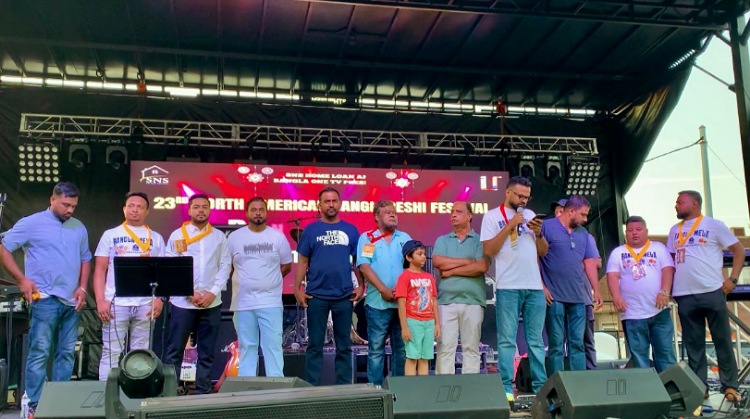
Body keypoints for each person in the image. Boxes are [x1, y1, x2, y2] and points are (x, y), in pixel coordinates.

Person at [0, 182, 91, 416]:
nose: (70, 210)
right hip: (44, 298)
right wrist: (21, 279)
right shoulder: (31, 223)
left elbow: (85, 258)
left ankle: (59, 403)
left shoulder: (79, 227)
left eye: (73, 206)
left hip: (71, 301)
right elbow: (3, 248)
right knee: (40, 352)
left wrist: (83, 287)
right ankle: (35, 404)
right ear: (52, 199)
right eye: (66, 204)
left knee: (66, 353)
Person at [667, 190, 745, 402]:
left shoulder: (714, 225)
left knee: (722, 340)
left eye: (680, 202)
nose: (676, 205)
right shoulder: (674, 230)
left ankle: (730, 386)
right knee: (693, 344)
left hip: (711, 290)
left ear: (694, 203)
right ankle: (699, 388)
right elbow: (670, 261)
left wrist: (733, 279)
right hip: (684, 294)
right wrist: (670, 287)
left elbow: (739, 250)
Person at [482, 176, 547, 401]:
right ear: (508, 192)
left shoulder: (530, 215)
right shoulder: (492, 216)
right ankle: (506, 389)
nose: (523, 201)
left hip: (534, 287)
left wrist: (538, 234)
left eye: (527, 197)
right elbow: (489, 250)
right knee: (506, 340)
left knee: (536, 341)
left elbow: (543, 251)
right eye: (520, 196)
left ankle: (540, 388)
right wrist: (510, 225)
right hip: (508, 286)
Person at [94, 192, 166, 380]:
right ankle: (105, 393)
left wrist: (160, 298)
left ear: (147, 211)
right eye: (131, 206)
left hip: (146, 304)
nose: (135, 210)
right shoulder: (111, 235)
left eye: (140, 207)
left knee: (141, 353)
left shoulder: (156, 238)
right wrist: (101, 300)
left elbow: (162, 272)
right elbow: (100, 270)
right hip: (116, 302)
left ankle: (136, 393)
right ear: (124, 209)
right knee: (111, 352)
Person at [294, 187, 363, 385]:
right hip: (316, 296)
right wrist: (297, 289)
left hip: (344, 296)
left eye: (334, 201)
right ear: (320, 205)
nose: (331, 205)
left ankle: (343, 388)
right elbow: (303, 261)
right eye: (327, 201)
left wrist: (361, 286)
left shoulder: (351, 230)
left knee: (344, 345)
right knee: (314, 345)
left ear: (339, 204)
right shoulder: (310, 230)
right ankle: (312, 388)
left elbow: (357, 261)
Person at [164, 194, 231, 393]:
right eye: (196, 207)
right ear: (189, 210)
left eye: (204, 207)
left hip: (211, 302)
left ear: (209, 210)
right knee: (175, 350)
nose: (200, 210)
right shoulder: (178, 235)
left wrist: (212, 292)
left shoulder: (219, 236)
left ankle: (203, 391)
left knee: (207, 352)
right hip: (183, 302)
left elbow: (225, 265)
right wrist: (189, 292)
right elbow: (172, 266)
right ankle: (170, 390)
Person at [228, 196, 293, 377]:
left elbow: (286, 266)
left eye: (261, 210)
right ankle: (247, 385)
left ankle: (276, 384)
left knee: (272, 345)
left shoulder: (277, 237)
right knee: (247, 346)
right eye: (254, 210)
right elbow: (229, 267)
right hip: (243, 302)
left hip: (270, 301)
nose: (258, 213)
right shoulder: (234, 237)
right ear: (247, 213)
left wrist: (268, 281)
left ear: (266, 212)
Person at [540, 195, 601, 376]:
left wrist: (596, 289)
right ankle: (556, 384)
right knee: (556, 344)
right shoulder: (546, 226)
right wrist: (542, 286)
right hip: (554, 296)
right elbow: (535, 256)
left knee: (578, 343)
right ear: (571, 211)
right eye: (583, 215)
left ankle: (579, 383)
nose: (585, 219)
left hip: (578, 297)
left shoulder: (583, 234)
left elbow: (589, 262)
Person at [606, 216, 676, 372]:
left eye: (638, 229)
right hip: (632, 313)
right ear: (626, 233)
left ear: (646, 231)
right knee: (639, 358)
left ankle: (668, 386)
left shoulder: (658, 248)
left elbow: (668, 270)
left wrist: (665, 291)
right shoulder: (618, 252)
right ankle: (646, 387)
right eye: (630, 230)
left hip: (659, 311)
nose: (634, 233)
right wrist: (616, 296)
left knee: (665, 355)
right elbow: (612, 275)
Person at [357, 200, 412, 385]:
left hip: (402, 303)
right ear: (376, 216)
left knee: (401, 350)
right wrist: (383, 289)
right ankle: (376, 391)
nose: (393, 214)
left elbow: (412, 266)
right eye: (387, 212)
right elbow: (364, 266)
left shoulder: (405, 238)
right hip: (377, 303)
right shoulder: (368, 238)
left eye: (394, 212)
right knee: (376, 350)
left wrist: (403, 290)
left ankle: (399, 390)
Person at [433, 201, 488, 375]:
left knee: (471, 348)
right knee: (445, 347)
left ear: (469, 216)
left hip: (473, 301)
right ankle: (444, 387)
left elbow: (480, 267)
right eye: (452, 212)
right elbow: (438, 262)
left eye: (458, 211)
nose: (453, 215)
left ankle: (469, 388)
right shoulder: (442, 240)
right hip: (446, 302)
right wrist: (467, 261)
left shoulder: (481, 241)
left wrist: (451, 271)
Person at [396, 240, 440, 376]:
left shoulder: (429, 277)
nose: (423, 257)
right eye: (419, 254)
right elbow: (401, 303)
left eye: (424, 254)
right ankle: (410, 386)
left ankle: (423, 385)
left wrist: (437, 323)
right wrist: (404, 327)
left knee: (425, 357)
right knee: (412, 356)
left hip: (429, 321)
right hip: (413, 321)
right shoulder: (404, 277)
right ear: (409, 257)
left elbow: (434, 301)